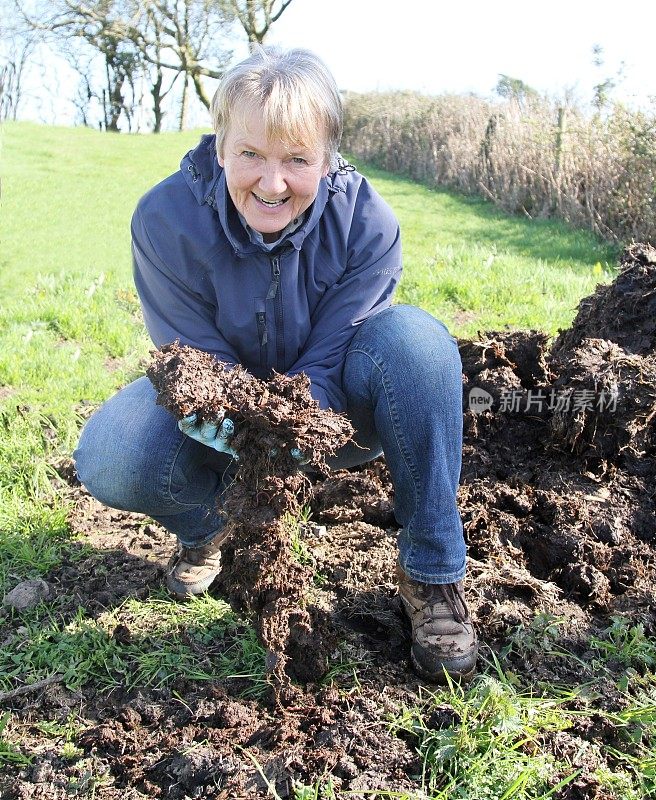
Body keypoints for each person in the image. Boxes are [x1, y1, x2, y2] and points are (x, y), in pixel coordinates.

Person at [73, 47, 478, 683]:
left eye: (297, 159)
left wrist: (292, 428)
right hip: (219, 421)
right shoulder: (165, 219)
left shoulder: (368, 222)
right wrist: (228, 420)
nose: (271, 182)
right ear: (220, 145)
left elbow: (335, 351)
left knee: (419, 343)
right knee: (111, 454)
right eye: (251, 154)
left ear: (328, 157)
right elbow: (191, 357)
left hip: (336, 420)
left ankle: (432, 572)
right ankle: (212, 527)